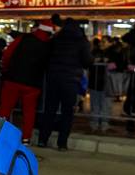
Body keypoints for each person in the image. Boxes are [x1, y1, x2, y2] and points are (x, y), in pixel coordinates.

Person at [37, 18, 93, 150]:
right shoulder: (81, 41)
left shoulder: (55, 39)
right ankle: (62, 143)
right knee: (67, 112)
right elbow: (87, 61)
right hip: (71, 80)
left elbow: (45, 57)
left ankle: (42, 140)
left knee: (50, 110)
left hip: (54, 78)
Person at [0, 19, 54, 143]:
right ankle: (26, 137)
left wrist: (6, 68)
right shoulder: (49, 45)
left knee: (5, 108)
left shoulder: (24, 38)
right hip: (33, 83)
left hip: (13, 78)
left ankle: (0, 134)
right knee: (29, 111)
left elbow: (8, 53)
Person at [88, 37, 111, 132]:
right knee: (95, 104)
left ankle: (104, 123)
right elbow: (88, 62)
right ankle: (94, 123)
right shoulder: (94, 52)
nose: (101, 43)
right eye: (101, 41)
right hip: (95, 82)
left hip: (107, 83)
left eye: (104, 42)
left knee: (105, 104)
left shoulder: (112, 52)